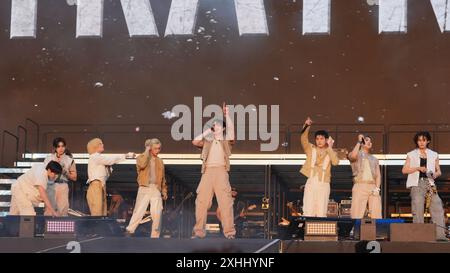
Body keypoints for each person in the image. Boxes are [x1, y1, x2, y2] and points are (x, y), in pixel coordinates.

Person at [192, 104, 236, 239]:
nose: (214, 126)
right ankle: (199, 232)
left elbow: (232, 132)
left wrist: (227, 114)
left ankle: (229, 233)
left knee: (225, 203)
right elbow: (195, 141)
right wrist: (208, 131)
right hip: (207, 171)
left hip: (221, 172)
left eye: (217, 124)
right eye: (213, 124)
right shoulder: (207, 141)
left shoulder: (225, 141)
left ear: (222, 128)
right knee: (201, 202)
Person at [402, 131, 448, 241]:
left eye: (423, 140)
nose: (421, 142)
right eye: (419, 140)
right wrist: (417, 168)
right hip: (417, 183)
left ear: (428, 141)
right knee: (417, 208)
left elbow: (439, 171)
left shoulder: (434, 154)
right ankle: (420, 236)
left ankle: (440, 236)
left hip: (430, 183)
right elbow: (404, 170)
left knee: (437, 206)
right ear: (416, 142)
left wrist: (435, 174)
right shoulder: (411, 154)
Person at [125, 138, 168, 238]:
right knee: (139, 211)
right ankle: (130, 230)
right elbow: (142, 164)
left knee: (157, 213)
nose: (158, 150)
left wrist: (164, 191)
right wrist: (146, 151)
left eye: (159, 148)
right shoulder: (141, 157)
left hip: (155, 189)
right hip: (144, 187)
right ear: (150, 148)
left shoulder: (160, 161)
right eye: (156, 148)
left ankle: (155, 236)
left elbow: (163, 178)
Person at [300, 117, 339, 217]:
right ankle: (307, 231)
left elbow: (335, 162)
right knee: (308, 210)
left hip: (324, 183)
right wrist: (307, 126)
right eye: (317, 139)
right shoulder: (310, 148)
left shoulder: (330, 152)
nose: (319, 141)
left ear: (326, 140)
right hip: (311, 181)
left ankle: (320, 232)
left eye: (321, 138)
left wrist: (329, 148)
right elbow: (303, 139)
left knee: (322, 211)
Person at [86, 138, 135, 216]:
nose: (103, 145)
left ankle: (100, 227)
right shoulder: (94, 156)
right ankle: (96, 227)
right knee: (97, 213)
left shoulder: (98, 159)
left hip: (100, 185)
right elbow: (110, 159)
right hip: (96, 185)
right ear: (95, 146)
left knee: (102, 212)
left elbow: (107, 168)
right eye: (100, 143)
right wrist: (126, 155)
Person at [348, 134, 382, 219]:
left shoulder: (374, 159)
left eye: (370, 141)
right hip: (360, 185)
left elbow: (378, 175)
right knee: (357, 212)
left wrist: (377, 188)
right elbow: (352, 156)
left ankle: (378, 231)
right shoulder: (356, 154)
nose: (369, 142)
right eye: (367, 140)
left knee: (376, 212)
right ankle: (356, 230)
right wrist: (359, 142)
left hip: (373, 186)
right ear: (362, 142)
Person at [43, 137, 77, 216]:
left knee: (63, 209)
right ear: (55, 148)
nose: (61, 148)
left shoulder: (69, 160)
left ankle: (62, 227)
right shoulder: (49, 158)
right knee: (49, 209)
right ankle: (47, 227)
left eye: (62, 146)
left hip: (63, 185)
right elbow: (43, 174)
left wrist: (65, 172)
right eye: (58, 146)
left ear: (65, 147)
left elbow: (74, 177)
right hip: (51, 184)